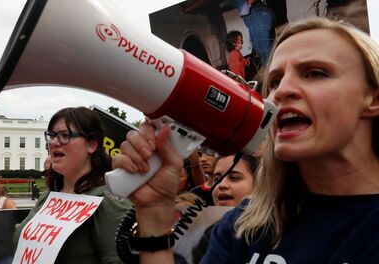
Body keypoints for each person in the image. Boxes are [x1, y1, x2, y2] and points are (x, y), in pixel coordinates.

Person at [113, 17, 379, 262]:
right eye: (274, 81)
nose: (281, 91)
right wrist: (154, 213)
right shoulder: (245, 224)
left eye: (316, 73)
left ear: (373, 98)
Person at [13, 106, 132, 263]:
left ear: (92, 144)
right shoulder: (48, 197)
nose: (54, 142)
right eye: (52, 135)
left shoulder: (107, 201)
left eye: (65, 135)